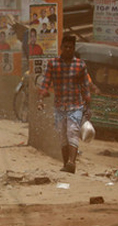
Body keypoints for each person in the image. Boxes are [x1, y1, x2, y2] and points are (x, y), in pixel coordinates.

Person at [37, 36, 92, 174]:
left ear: (73, 49)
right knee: (62, 136)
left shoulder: (81, 65)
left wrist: (88, 106)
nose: (68, 49)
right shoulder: (53, 64)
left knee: (72, 132)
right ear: (61, 48)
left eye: (70, 47)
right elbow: (46, 82)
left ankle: (71, 163)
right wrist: (41, 98)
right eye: (65, 47)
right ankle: (65, 164)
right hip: (59, 106)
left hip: (76, 105)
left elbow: (85, 87)